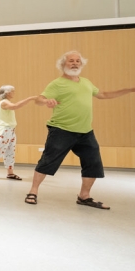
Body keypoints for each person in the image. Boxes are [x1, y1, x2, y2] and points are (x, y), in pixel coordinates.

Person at [25, 50, 135, 208]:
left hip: (85, 132)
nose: (75, 63)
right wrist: (46, 101)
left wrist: (130, 90)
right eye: (71, 61)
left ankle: (84, 197)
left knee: (93, 162)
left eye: (78, 61)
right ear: (63, 64)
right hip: (61, 130)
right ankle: (33, 192)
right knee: (48, 161)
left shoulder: (86, 82)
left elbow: (103, 94)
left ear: (81, 64)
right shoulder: (57, 83)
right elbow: (39, 99)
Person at [0, 86, 36, 180]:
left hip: (11, 130)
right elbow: (15, 106)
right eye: (13, 91)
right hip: (5, 130)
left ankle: (10, 173)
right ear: (7, 93)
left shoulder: (7, 102)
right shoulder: (4, 102)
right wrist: (29, 99)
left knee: (10, 152)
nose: (14, 93)